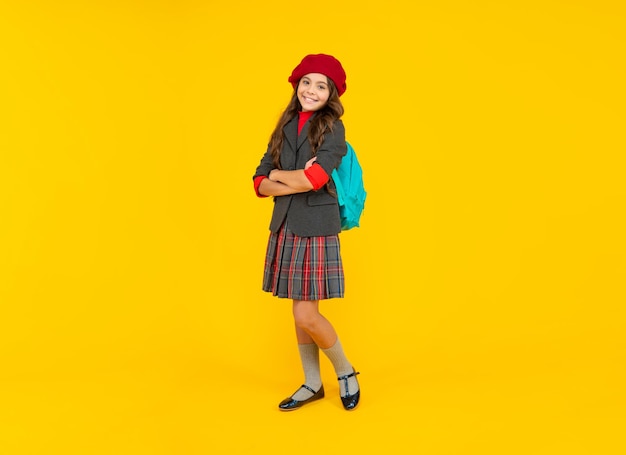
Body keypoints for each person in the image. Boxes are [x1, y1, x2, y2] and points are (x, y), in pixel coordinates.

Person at [252, 54, 361, 411]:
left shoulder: (332, 128)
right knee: (298, 309)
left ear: (331, 94)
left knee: (305, 314)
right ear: (296, 85)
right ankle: (312, 383)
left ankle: (345, 372)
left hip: (315, 227)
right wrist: (290, 177)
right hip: (286, 223)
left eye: (321, 85)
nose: (311, 90)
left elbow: (315, 180)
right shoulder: (284, 124)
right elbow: (258, 181)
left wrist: (279, 178)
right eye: (306, 82)